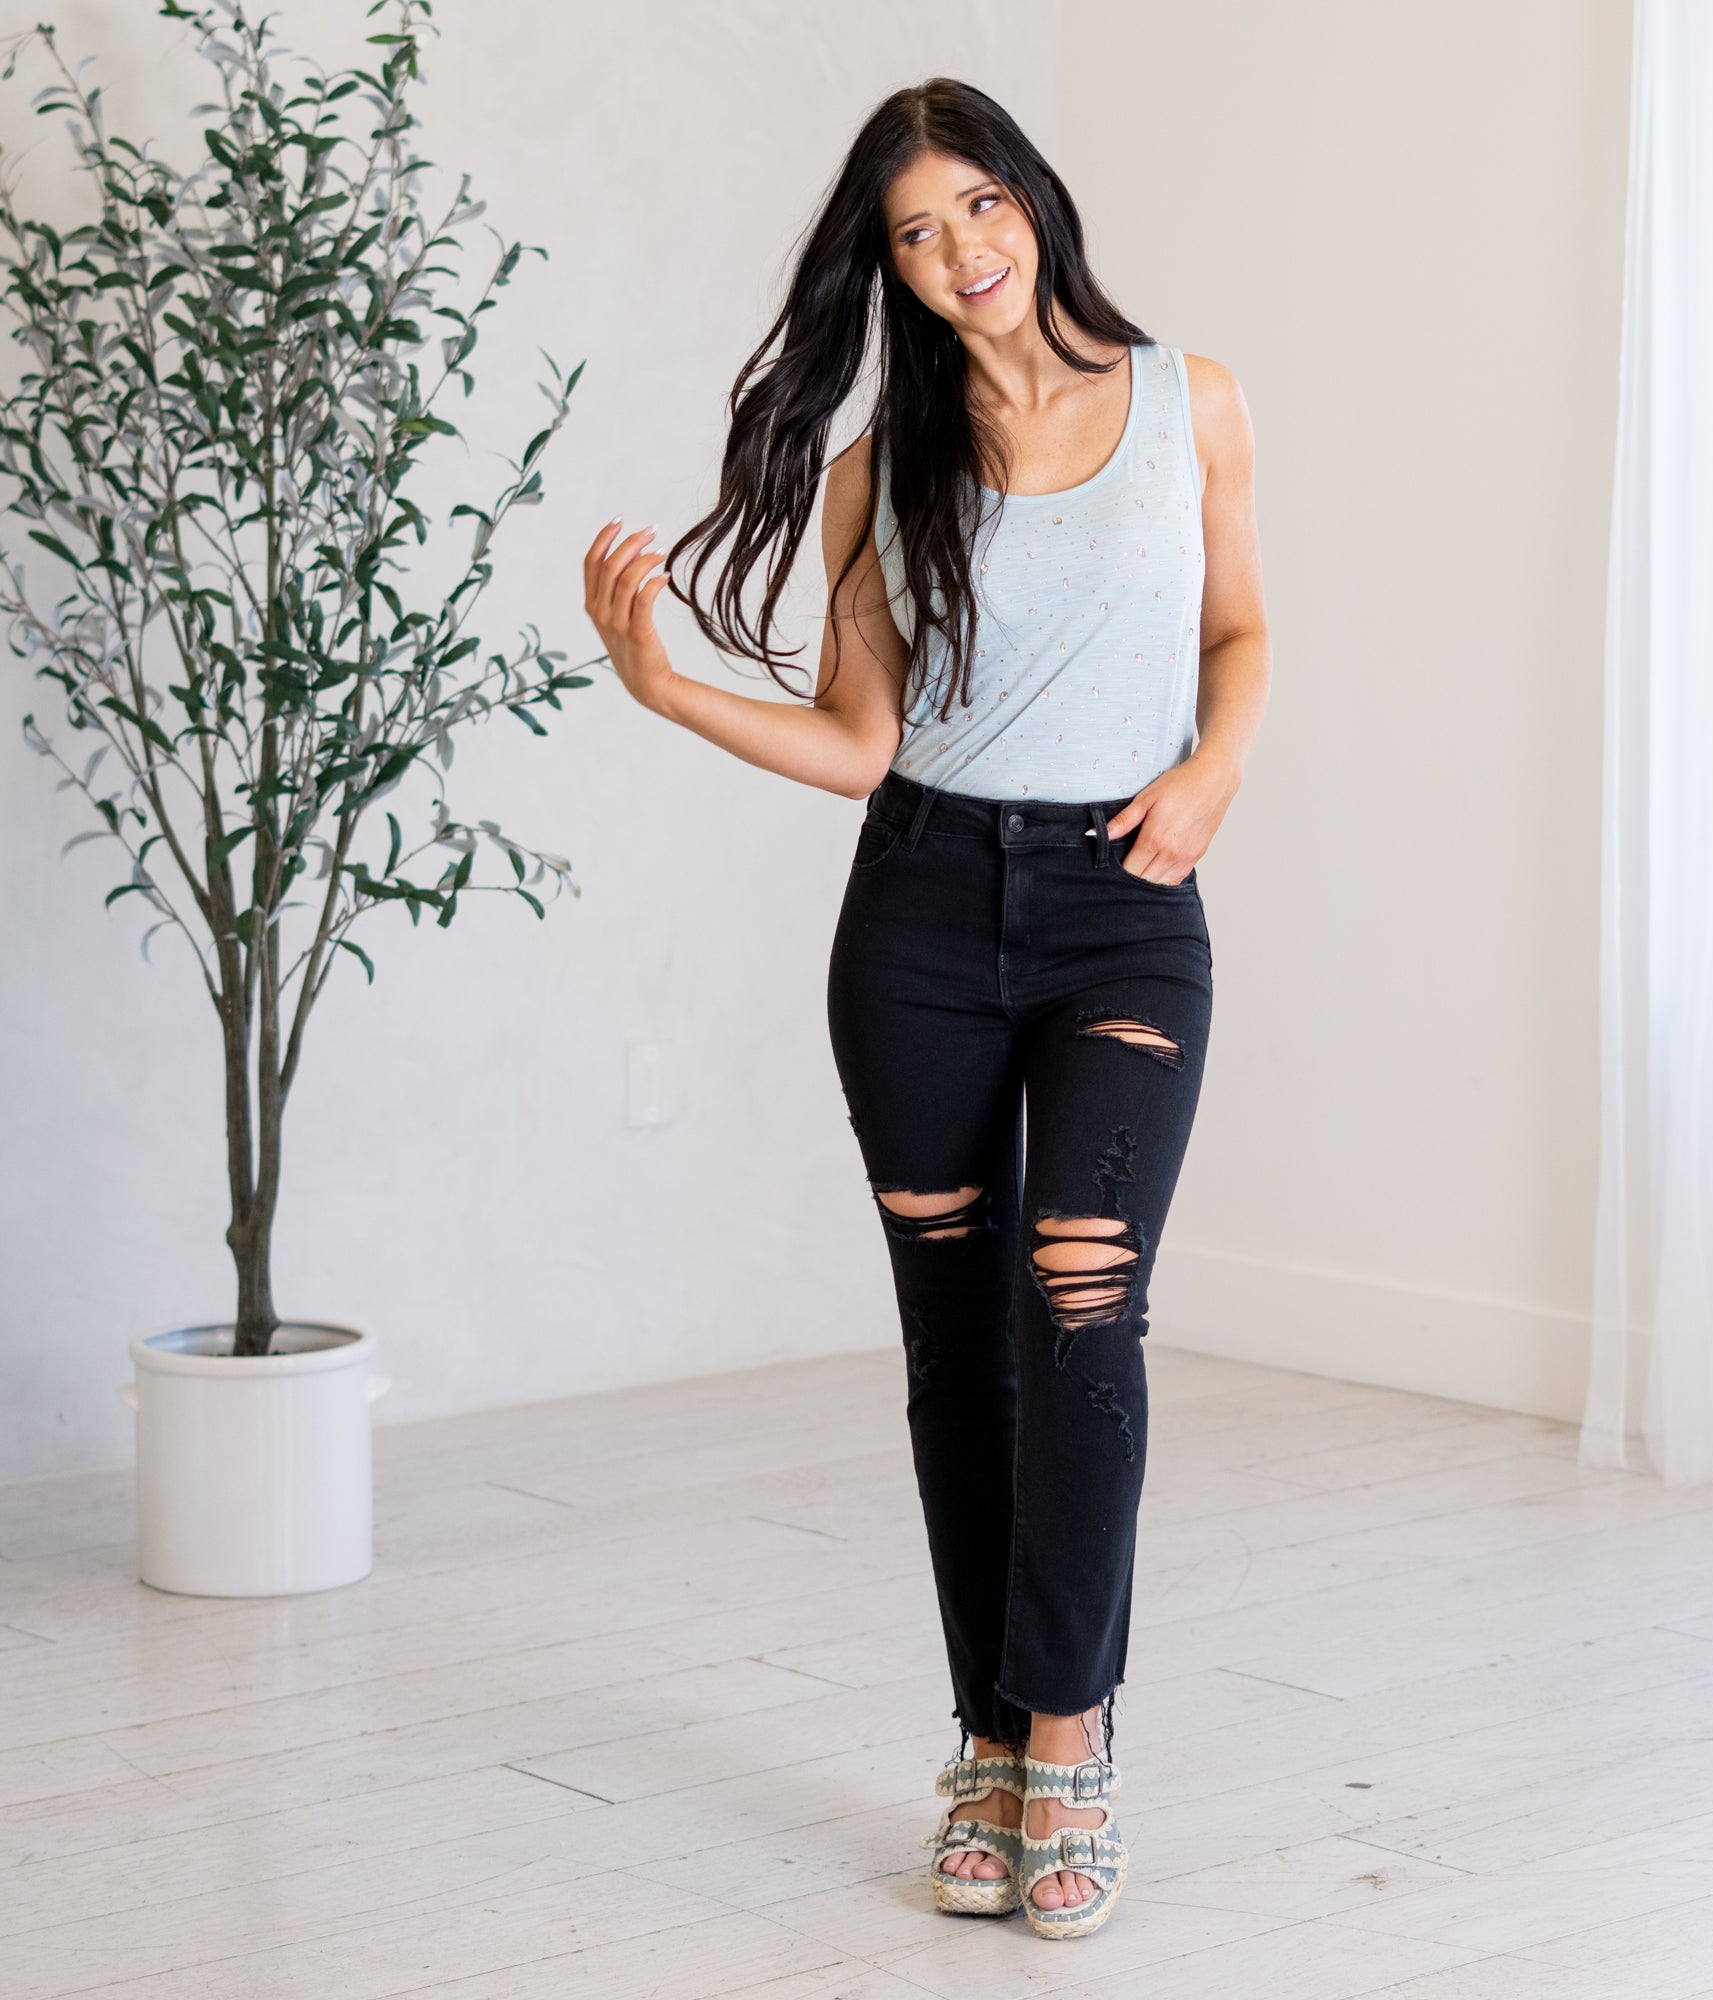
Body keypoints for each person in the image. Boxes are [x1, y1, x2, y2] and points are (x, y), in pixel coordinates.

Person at [582, 75, 1268, 1941]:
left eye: (980, 204)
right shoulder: (876, 478)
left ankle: (1069, 1739)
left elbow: (1239, 629)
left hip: (1124, 907)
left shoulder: (1192, 402)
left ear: (1032, 199)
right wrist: (666, 689)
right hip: (920, 915)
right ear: (886, 268)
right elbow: (860, 743)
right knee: (957, 1345)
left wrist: (1214, 768)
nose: (961, 250)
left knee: (1085, 1302)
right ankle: (983, 1739)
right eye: (916, 231)